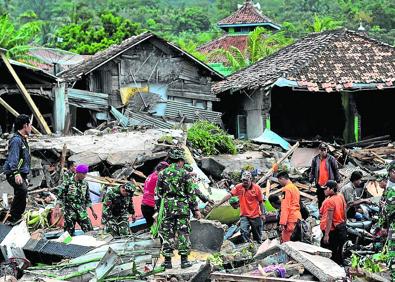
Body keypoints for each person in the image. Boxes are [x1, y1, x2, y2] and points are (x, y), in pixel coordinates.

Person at [156, 148, 201, 269]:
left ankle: (167, 262)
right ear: (180, 161)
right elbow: (190, 193)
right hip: (182, 207)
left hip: (167, 208)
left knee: (167, 234)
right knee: (183, 233)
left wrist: (159, 208)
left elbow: (158, 193)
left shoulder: (162, 174)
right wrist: (195, 209)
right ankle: (184, 261)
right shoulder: (185, 173)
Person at [216, 171, 266, 243]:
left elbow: (261, 202)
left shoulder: (257, 188)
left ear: (250, 179)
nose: (244, 182)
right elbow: (229, 195)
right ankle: (249, 244)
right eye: (243, 180)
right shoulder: (239, 187)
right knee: (243, 231)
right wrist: (220, 203)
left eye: (246, 180)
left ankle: (258, 245)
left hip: (255, 215)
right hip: (244, 215)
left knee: (257, 235)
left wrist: (263, 214)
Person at [3, 114, 32, 225]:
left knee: (21, 192)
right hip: (13, 172)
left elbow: (24, 159)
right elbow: (13, 159)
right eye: (30, 125)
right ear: (25, 125)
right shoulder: (16, 140)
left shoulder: (23, 139)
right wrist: (16, 173)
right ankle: (14, 217)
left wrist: (25, 176)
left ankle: (15, 216)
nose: (31, 128)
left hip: (21, 173)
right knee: (22, 190)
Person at [56, 164, 98, 235]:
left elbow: (88, 198)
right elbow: (60, 196)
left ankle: (91, 244)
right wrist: (57, 208)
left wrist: (93, 211)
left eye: (85, 174)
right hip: (70, 211)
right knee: (68, 233)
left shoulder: (85, 183)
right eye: (83, 174)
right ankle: (66, 245)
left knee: (89, 229)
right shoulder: (67, 182)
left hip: (81, 210)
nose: (85, 176)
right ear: (77, 173)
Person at [320, 180, 347, 265]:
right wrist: (344, 221)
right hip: (340, 226)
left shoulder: (330, 201)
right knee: (338, 251)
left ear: (331, 189)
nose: (324, 190)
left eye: (326, 188)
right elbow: (344, 209)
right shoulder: (340, 196)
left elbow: (329, 218)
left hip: (331, 230)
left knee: (329, 252)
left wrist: (326, 235)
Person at [309, 143, 341, 209]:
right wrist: (310, 182)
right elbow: (312, 171)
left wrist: (338, 182)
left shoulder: (331, 159)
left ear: (327, 150)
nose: (323, 152)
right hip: (319, 184)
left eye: (324, 150)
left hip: (329, 185)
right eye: (321, 150)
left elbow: (336, 170)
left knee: (330, 202)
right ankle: (321, 216)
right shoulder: (315, 160)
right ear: (319, 150)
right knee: (320, 202)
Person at [141, 161, 169, 228]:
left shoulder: (150, 176)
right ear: (162, 169)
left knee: (151, 228)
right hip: (152, 207)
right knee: (159, 227)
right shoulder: (158, 178)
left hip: (145, 205)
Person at [277, 171, 302, 242]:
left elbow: (285, 207)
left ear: (282, 178)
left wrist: (282, 223)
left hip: (290, 219)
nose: (280, 183)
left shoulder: (286, 189)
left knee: (287, 243)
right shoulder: (295, 188)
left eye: (279, 181)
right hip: (297, 217)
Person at [381, 161, 395, 280]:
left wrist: (383, 225)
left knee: (393, 252)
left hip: (393, 226)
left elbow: (387, 211)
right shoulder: (390, 186)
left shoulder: (392, 190)